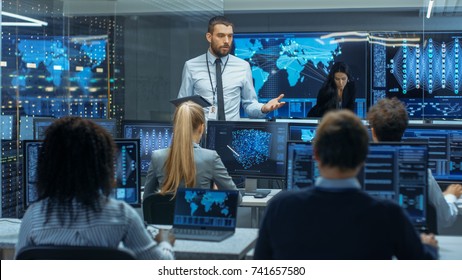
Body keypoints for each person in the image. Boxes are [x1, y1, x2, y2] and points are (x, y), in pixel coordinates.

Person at [254, 110, 438, 259]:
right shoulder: (389, 213)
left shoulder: (281, 207)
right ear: (365, 156)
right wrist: (429, 248)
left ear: (315, 154)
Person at [15, 117, 174, 260]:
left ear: (49, 165)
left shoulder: (33, 216)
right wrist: (165, 243)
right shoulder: (122, 216)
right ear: (102, 165)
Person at [367, 97, 462, 232]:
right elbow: (445, 218)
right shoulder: (422, 172)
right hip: (408, 247)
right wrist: (450, 196)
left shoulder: (359, 170)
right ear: (403, 130)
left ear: (373, 132)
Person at [177, 16, 285, 121]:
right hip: (200, 136)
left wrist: (263, 108)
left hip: (230, 136)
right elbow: (183, 107)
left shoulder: (243, 66)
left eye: (230, 36)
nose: (226, 41)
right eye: (221, 36)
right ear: (209, 37)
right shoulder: (191, 66)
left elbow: (249, 104)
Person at [143, 101, 240, 200]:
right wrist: (214, 193)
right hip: (198, 214)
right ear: (201, 128)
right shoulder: (211, 158)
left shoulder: (157, 157)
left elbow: (147, 199)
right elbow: (237, 199)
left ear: (176, 127)